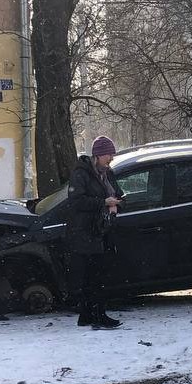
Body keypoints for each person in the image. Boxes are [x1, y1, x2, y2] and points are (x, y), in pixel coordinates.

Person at [66, 136, 124, 329]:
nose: (111, 159)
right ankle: (98, 316)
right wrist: (103, 203)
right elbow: (76, 202)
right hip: (86, 231)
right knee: (94, 276)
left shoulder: (107, 173)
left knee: (94, 275)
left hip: (100, 229)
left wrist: (118, 202)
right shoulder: (81, 174)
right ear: (98, 155)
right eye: (108, 155)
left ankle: (86, 316)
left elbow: (117, 193)